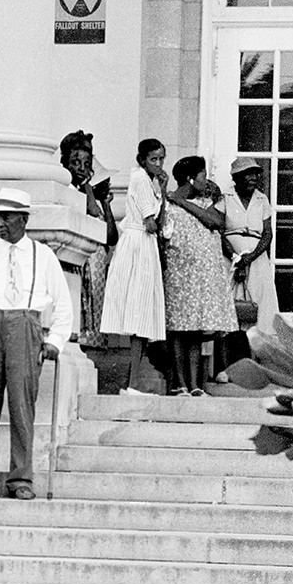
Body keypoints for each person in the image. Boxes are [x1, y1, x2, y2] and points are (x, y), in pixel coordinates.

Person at [0, 188, 73, 501]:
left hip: (25, 325)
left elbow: (63, 304)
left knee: (22, 405)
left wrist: (54, 340)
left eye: (6, 216)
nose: (0, 223)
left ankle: (21, 478)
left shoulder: (43, 255)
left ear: (24, 218)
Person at [163, 156, 237, 396]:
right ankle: (181, 384)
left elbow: (215, 221)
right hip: (178, 275)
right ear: (190, 178)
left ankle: (195, 385)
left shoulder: (203, 203)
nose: (207, 180)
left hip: (198, 279)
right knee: (178, 330)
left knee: (195, 331)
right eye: (203, 175)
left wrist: (182, 202)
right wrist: (174, 200)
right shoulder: (166, 206)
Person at [100, 138, 169, 394]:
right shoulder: (141, 180)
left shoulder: (150, 182)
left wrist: (162, 188)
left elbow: (158, 221)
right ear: (142, 160)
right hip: (139, 244)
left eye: (161, 158)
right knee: (138, 312)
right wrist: (161, 195)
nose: (159, 163)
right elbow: (153, 224)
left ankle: (133, 382)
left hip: (143, 244)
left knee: (140, 315)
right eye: (154, 159)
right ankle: (132, 383)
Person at [59, 131, 119, 347]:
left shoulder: (93, 196)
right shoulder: (68, 192)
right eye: (75, 162)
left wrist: (107, 203)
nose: (81, 168)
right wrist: (87, 188)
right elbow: (91, 214)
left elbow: (110, 238)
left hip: (96, 270)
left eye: (86, 163)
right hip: (79, 267)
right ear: (65, 164)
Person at [223, 157, 279, 334]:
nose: (253, 178)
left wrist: (251, 257)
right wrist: (235, 257)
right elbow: (218, 230)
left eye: (255, 174)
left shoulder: (261, 199)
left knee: (262, 304)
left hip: (257, 259)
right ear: (236, 177)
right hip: (230, 260)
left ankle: (260, 351)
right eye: (248, 174)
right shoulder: (225, 197)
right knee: (229, 303)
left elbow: (267, 233)